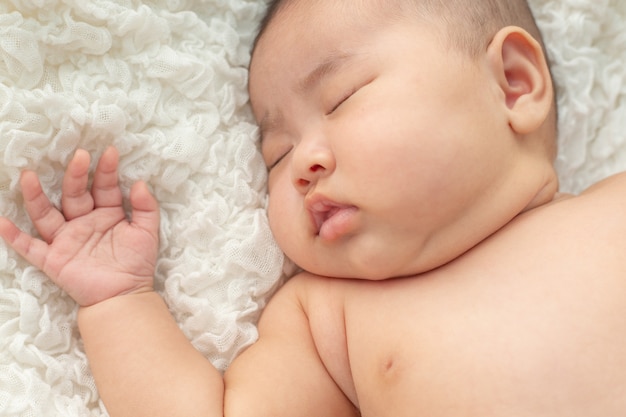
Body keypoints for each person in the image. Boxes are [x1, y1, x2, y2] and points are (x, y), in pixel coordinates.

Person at [2, 0, 626, 415]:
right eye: (275, 154)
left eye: (342, 97)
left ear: (512, 84)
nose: (302, 164)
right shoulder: (327, 318)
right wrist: (118, 303)